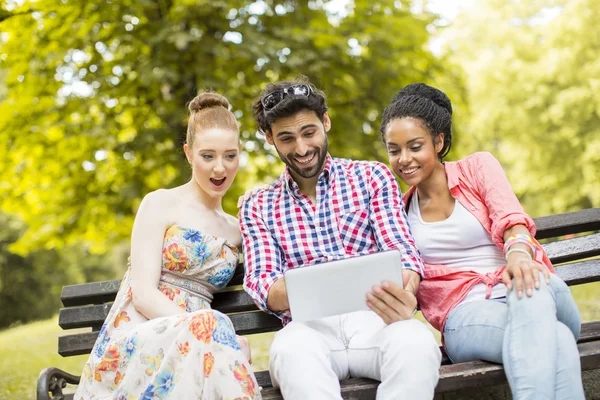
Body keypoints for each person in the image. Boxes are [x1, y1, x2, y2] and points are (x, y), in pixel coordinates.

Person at [375, 82, 584, 399]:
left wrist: (517, 255)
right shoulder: (398, 212)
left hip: (527, 285)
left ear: (438, 141)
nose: (404, 159)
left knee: (529, 286)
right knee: (556, 338)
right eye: (394, 150)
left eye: (414, 146)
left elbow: (511, 219)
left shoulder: (477, 168)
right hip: (467, 316)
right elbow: (405, 277)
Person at [239, 78, 441, 400]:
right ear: (269, 138)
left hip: (377, 321)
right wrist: (315, 289)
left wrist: (406, 291)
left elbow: (403, 253)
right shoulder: (257, 205)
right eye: (287, 138)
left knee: (417, 345)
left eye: (309, 133)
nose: (302, 149)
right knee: (291, 354)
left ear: (326, 121)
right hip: (308, 331)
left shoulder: (371, 177)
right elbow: (264, 284)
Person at [75, 92, 261, 400]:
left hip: (204, 345)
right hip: (141, 334)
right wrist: (218, 331)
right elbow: (144, 295)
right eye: (208, 156)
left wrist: (259, 205)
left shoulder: (236, 227)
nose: (220, 169)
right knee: (213, 328)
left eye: (230, 156)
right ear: (189, 153)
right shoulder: (160, 203)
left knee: (214, 346)